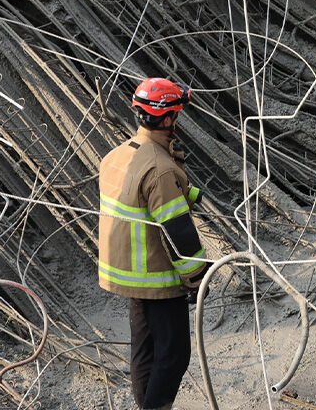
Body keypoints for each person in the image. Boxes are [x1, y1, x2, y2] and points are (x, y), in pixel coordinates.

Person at [99, 78, 208, 410]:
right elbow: (179, 234)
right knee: (174, 354)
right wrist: (198, 279)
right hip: (157, 277)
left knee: (144, 351)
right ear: (166, 118)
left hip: (129, 274)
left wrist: (183, 190)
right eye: (176, 114)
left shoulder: (118, 156)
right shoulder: (160, 170)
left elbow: (138, 197)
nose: (178, 120)